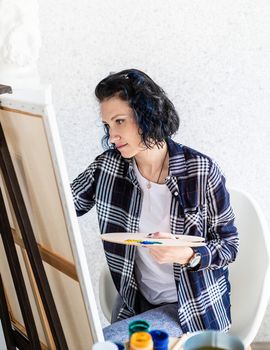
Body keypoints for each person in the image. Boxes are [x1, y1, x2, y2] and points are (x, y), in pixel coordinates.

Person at [71, 68, 239, 339]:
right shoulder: (107, 167)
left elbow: (230, 245)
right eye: (107, 125)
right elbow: (62, 206)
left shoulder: (201, 171)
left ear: (147, 115)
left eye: (120, 121)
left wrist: (188, 255)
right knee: (80, 337)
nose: (112, 135)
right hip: (136, 303)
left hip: (191, 309)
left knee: (105, 343)